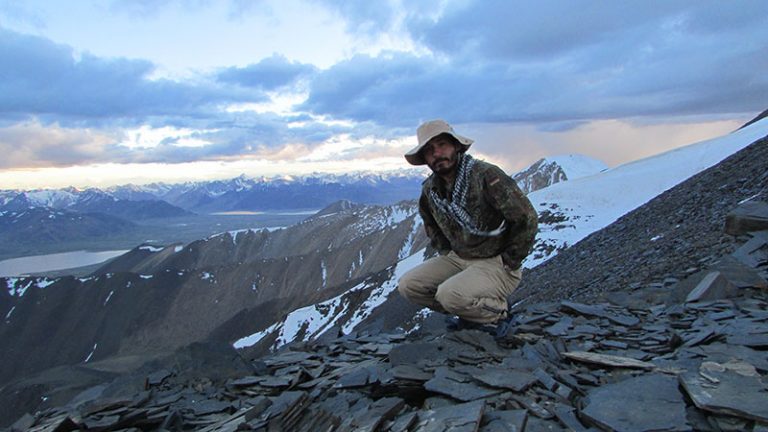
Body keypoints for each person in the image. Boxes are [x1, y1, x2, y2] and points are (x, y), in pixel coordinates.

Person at [397, 119, 538, 337]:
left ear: (456, 146)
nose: (437, 154)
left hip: (496, 262)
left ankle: (497, 312)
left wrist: (511, 259)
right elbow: (432, 226)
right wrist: (447, 253)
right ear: (424, 158)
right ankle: (472, 311)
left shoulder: (485, 176)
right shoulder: (431, 191)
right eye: (429, 150)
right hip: (458, 258)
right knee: (409, 285)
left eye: (442, 145)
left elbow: (525, 218)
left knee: (448, 294)